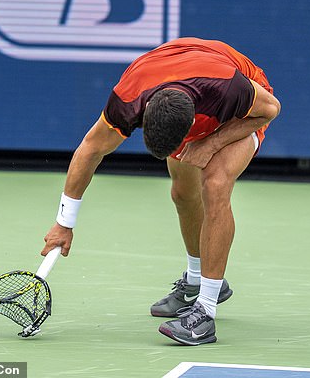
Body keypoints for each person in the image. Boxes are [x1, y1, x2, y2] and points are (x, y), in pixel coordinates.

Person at [41, 37, 281, 346]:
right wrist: (64, 223)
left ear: (192, 123)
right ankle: (196, 281)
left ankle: (205, 313)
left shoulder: (230, 89)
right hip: (180, 85)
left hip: (242, 109)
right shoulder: (130, 97)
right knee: (182, 193)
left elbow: (271, 110)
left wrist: (209, 144)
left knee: (215, 183)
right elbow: (90, 149)